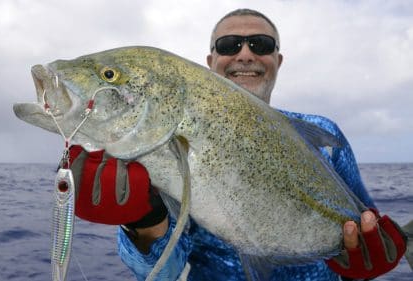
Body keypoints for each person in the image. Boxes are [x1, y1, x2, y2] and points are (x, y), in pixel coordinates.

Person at [66, 9, 407, 281]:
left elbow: (364, 227)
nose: (245, 54)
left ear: (277, 60)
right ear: (210, 61)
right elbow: (160, 274)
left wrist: (367, 262)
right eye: (229, 45)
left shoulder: (324, 134)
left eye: (261, 44)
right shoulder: (153, 142)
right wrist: (140, 223)